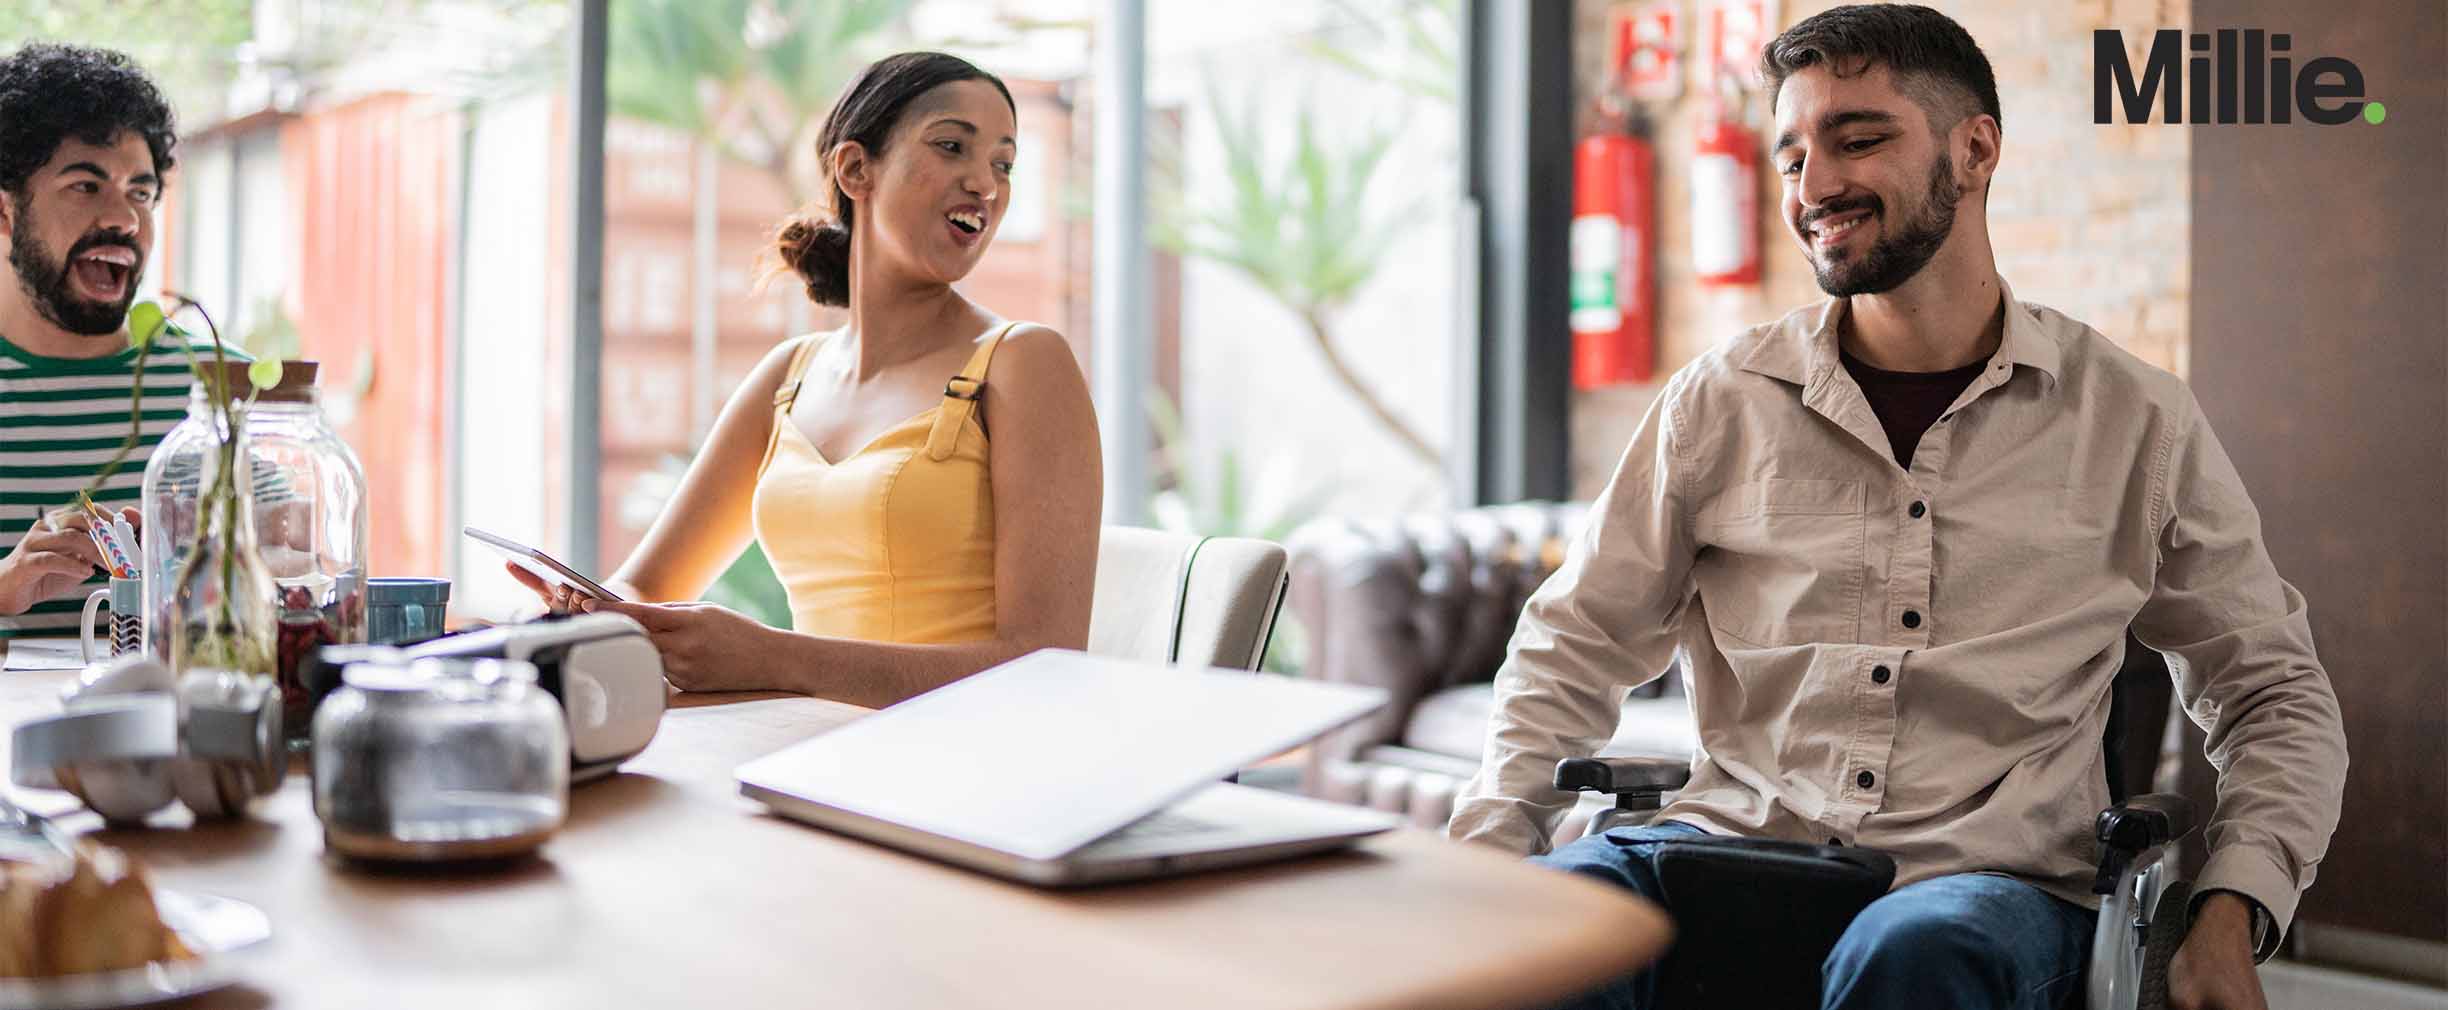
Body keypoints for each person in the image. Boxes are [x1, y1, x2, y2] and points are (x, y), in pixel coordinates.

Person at [1446, 7, 2345, 1010]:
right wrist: (1491, 852)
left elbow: (2273, 693)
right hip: (1722, 849)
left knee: (1915, 951)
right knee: (1544, 928)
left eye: (1858, 138)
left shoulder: (2137, 420)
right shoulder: (1719, 399)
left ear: (1976, 149)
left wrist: (2230, 907)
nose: (1813, 185)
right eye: (1792, 154)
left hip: (1980, 888)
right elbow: (1572, 639)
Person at [512, 52, 1101, 708]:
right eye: (951, 146)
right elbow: (645, 586)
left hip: (963, 769)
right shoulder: (789, 377)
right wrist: (595, 612)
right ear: (856, 169)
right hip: (799, 757)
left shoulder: (1021, 362)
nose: (985, 184)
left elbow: (1046, 665)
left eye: (1003, 163)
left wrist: (774, 656)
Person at [0, 44, 197, 637]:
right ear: (6, 213)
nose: (124, 220)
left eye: (141, 191)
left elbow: (305, 576)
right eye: (86, 186)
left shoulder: (217, 391)